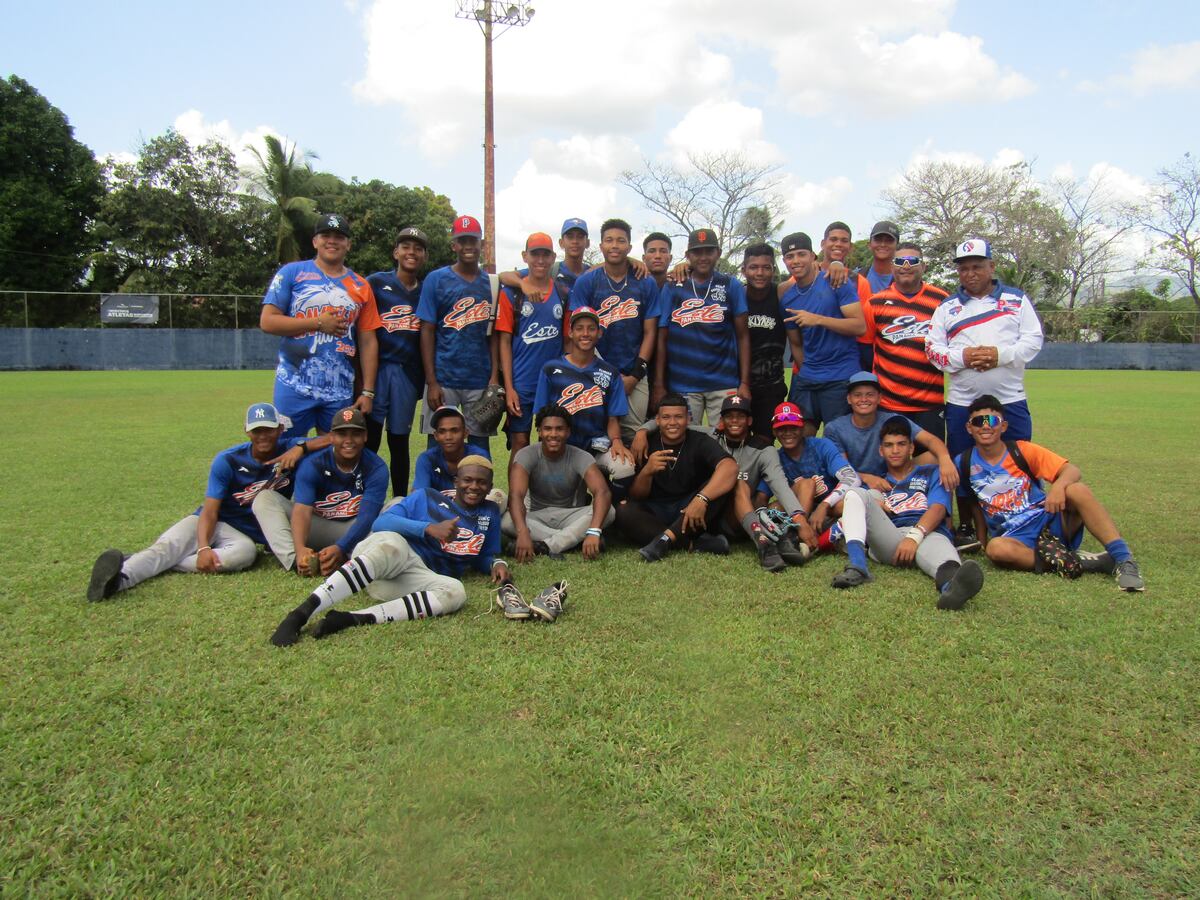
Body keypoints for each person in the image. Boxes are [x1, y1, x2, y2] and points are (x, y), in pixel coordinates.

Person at [269, 455, 533, 645]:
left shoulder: (489, 513)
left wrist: (498, 565)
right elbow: (382, 522)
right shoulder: (428, 497)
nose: (474, 487)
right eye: (467, 480)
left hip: (408, 579)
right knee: (392, 545)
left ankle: (350, 619)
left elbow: (485, 554)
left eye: (481, 482)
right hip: (384, 558)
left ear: (489, 486)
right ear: (456, 481)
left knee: (456, 592)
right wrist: (428, 528)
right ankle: (301, 614)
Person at [86, 403, 315, 601]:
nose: (263, 435)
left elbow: (332, 439)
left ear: (280, 429)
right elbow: (210, 510)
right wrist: (204, 546)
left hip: (242, 537)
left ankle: (160, 561)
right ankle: (120, 580)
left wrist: (301, 447)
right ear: (246, 431)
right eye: (256, 430)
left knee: (246, 555)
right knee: (166, 547)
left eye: (268, 429)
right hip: (213, 521)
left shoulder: (290, 449)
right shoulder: (228, 460)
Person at [955, 395, 1145, 591]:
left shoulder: (1022, 451)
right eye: (979, 421)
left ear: (1003, 426)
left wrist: (1058, 487)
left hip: (1048, 518)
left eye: (992, 421)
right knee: (996, 549)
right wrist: (983, 540)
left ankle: (1124, 560)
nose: (986, 426)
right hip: (1015, 536)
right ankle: (1082, 561)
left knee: (1076, 490)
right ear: (969, 427)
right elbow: (973, 503)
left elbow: (1072, 471)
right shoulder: (964, 462)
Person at [631, 394, 810, 571]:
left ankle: (763, 540)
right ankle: (695, 543)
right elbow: (673, 422)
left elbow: (780, 485)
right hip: (707, 514)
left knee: (737, 481)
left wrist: (799, 518)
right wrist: (642, 432)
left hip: (736, 517)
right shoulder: (710, 434)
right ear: (721, 420)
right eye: (729, 416)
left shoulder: (764, 450)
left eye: (740, 416)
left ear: (749, 420)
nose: (735, 421)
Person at [835, 416, 985, 609]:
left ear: (911, 448)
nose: (895, 450)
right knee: (857, 494)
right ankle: (858, 567)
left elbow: (938, 509)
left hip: (928, 533)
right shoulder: (877, 482)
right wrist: (873, 503)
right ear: (881, 451)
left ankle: (951, 591)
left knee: (947, 563)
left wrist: (914, 537)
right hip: (890, 538)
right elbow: (841, 506)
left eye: (901, 444)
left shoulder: (931, 472)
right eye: (889, 445)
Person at [259, 214, 381, 437]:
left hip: (339, 387)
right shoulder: (292, 273)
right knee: (287, 449)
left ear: (348, 244)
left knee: (336, 454)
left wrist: (368, 392)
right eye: (326, 235)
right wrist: (317, 323)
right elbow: (268, 321)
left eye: (339, 236)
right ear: (315, 241)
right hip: (294, 383)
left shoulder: (360, 285)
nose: (332, 241)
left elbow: (368, 340)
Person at [926, 238, 1044, 461]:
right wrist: (965, 357)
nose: (970, 273)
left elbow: (1033, 340)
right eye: (964, 268)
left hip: (1009, 400)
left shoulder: (1016, 300)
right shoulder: (946, 307)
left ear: (991, 267)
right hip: (962, 404)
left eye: (977, 267)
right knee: (964, 469)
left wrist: (999, 356)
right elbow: (932, 349)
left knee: (1018, 466)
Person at [252, 407, 389, 576]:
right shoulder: (314, 463)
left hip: (356, 529)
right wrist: (300, 547)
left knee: (395, 505)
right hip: (318, 526)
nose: (349, 440)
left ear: (365, 436)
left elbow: (367, 518)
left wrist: (341, 547)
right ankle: (298, 561)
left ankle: (350, 556)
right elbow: (302, 511)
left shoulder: (376, 467)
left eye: (356, 434)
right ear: (331, 437)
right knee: (264, 499)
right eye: (342, 434)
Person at [616, 393, 740, 562]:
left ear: (688, 419)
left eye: (678, 417)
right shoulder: (646, 444)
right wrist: (647, 472)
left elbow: (730, 466)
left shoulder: (699, 441)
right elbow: (636, 496)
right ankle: (691, 545)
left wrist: (701, 499)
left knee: (721, 486)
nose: (672, 423)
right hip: (656, 510)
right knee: (623, 511)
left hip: (691, 510)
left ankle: (663, 540)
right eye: (666, 417)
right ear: (657, 420)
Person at [569, 219, 660, 442]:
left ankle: (629, 478)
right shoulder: (587, 281)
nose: (615, 245)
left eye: (621, 241)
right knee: (592, 434)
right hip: (593, 370)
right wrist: (605, 373)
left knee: (633, 436)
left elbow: (650, 333)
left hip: (634, 372)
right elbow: (579, 332)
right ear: (600, 246)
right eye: (609, 240)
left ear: (629, 247)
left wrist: (635, 375)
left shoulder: (645, 282)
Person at [417, 214, 500, 453]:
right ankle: (436, 491)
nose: (468, 246)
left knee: (479, 447)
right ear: (453, 244)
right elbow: (427, 331)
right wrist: (432, 382)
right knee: (438, 443)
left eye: (473, 240)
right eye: (462, 240)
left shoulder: (492, 284)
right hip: (444, 378)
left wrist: (494, 377)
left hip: (479, 379)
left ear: (481, 244)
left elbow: (493, 334)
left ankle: (478, 491)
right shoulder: (436, 279)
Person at [654, 228, 751, 425]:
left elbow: (743, 336)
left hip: (724, 381)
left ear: (718, 253)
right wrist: (659, 383)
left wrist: (745, 382)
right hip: (684, 383)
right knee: (685, 443)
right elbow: (662, 337)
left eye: (709, 251)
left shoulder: (730, 285)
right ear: (688, 255)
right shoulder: (673, 286)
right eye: (697, 252)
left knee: (725, 443)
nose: (703, 257)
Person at [532, 306, 636, 481]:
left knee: (624, 467)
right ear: (570, 333)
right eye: (579, 328)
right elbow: (542, 417)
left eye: (591, 328)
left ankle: (613, 502)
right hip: (561, 446)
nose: (585, 333)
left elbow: (613, 418)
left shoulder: (610, 373)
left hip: (596, 447)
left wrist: (617, 441)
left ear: (599, 333)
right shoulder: (551, 369)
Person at [860, 242, 950, 439]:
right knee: (892, 463)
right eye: (900, 261)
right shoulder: (875, 302)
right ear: (893, 267)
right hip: (889, 404)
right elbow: (866, 351)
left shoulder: (942, 301)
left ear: (924, 266)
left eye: (913, 261)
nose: (906, 266)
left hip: (930, 404)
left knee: (929, 464)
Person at [502, 404, 614, 561]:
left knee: (609, 511)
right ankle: (573, 542)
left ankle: (546, 546)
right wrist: (522, 532)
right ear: (539, 432)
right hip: (536, 515)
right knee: (507, 521)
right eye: (547, 429)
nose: (553, 434)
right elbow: (516, 496)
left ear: (568, 432)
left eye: (559, 429)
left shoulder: (581, 456)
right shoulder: (525, 455)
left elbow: (602, 492)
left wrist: (594, 530)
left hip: (570, 515)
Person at [778, 232, 865, 433]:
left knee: (837, 440)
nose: (796, 261)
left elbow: (859, 326)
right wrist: (809, 369)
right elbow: (796, 343)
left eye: (801, 254)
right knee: (798, 437)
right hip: (808, 378)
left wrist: (818, 320)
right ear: (784, 261)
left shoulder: (836, 282)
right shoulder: (788, 297)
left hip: (840, 376)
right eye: (790, 257)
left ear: (812, 256)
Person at [365, 226, 427, 495]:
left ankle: (399, 499)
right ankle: (364, 497)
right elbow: (363, 331)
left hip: (407, 373)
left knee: (399, 442)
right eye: (405, 247)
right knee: (370, 438)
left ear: (424, 255)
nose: (411, 252)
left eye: (417, 248)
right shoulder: (377, 283)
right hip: (377, 370)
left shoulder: (426, 290)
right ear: (395, 252)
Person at [495, 232, 570, 455]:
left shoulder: (563, 293)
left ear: (553, 257)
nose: (540, 260)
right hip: (522, 382)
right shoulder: (511, 293)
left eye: (545, 255)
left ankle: (544, 491)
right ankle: (516, 492)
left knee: (552, 441)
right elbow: (504, 342)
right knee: (520, 443)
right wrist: (509, 388)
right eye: (535, 254)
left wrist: (566, 379)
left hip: (552, 382)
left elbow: (567, 341)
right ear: (525, 256)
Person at [823, 372, 957, 490]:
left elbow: (930, 439)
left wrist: (945, 460)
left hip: (892, 476)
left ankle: (945, 517)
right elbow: (840, 469)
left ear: (879, 398)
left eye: (870, 395)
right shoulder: (835, 428)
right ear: (849, 399)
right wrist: (868, 478)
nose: (864, 400)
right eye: (857, 395)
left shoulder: (892, 419)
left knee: (936, 457)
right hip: (856, 483)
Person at [770, 402, 860, 576]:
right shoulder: (776, 458)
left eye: (793, 427)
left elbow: (852, 478)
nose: (788, 433)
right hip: (798, 515)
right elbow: (763, 498)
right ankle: (796, 536)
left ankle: (803, 542)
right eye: (782, 429)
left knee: (853, 502)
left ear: (802, 428)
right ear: (774, 432)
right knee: (802, 487)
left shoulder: (821, 446)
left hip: (827, 511)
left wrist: (824, 505)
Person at [741, 243, 789, 439]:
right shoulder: (736, 295)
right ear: (744, 270)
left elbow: (811, 274)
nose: (759, 273)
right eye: (753, 267)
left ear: (773, 270)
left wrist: (835, 263)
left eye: (766, 267)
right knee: (734, 441)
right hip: (738, 383)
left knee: (764, 443)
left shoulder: (781, 294)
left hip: (771, 385)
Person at [411, 406, 491, 494]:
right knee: (398, 501)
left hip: (471, 505)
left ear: (465, 433)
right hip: (435, 506)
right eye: (442, 431)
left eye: (454, 431)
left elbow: (481, 493)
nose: (448, 437)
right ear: (436, 436)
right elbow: (419, 495)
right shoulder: (427, 459)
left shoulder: (479, 456)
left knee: (498, 496)